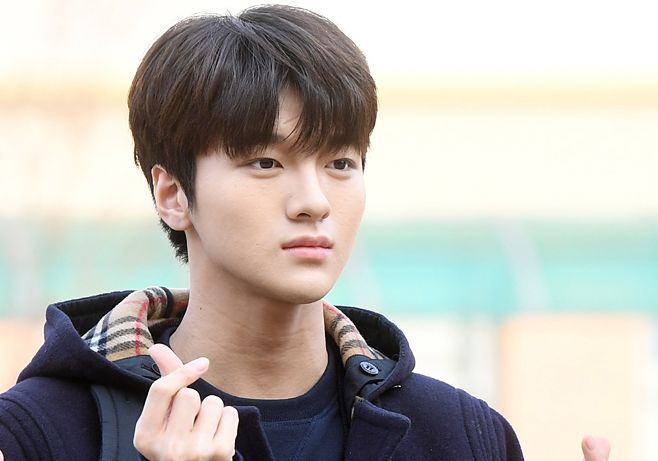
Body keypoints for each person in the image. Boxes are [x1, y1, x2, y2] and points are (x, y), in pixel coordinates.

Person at [0, 4, 607, 460]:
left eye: (340, 163)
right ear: (173, 195)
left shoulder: (460, 435)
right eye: (266, 163)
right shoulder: (41, 432)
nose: (314, 201)